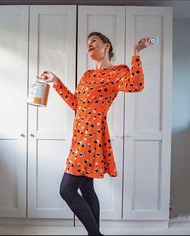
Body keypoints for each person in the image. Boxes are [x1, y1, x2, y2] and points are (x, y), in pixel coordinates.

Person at [39, 32, 151, 235]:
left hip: (91, 136)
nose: (89, 45)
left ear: (106, 46)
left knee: (66, 190)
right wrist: (56, 81)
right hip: (79, 136)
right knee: (86, 189)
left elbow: (136, 85)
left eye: (94, 41)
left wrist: (135, 53)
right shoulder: (87, 75)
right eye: (87, 43)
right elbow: (76, 104)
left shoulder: (117, 72)